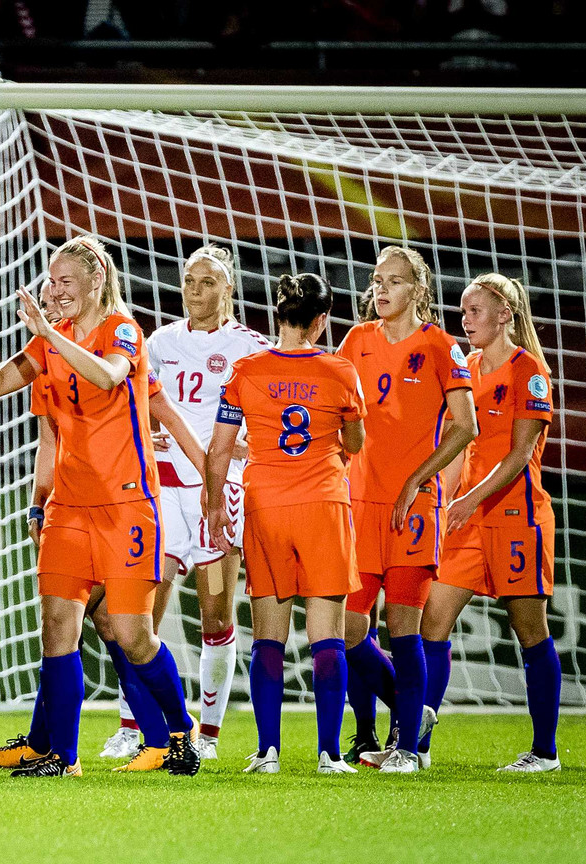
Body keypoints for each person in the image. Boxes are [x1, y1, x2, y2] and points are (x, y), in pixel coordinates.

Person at [0, 235, 201, 778]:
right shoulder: (51, 342)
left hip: (127, 505)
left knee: (133, 635)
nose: (56, 291)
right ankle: (61, 757)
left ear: (96, 280)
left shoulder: (123, 330)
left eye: (67, 281)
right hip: (69, 507)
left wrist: (49, 336)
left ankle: (181, 734)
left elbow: (109, 375)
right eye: (52, 281)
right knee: (57, 627)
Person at [205, 272, 366, 775]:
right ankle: (329, 754)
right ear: (321, 321)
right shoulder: (341, 371)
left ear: (278, 315)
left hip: (265, 505)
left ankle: (268, 751)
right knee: (328, 635)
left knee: (268, 636)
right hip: (323, 504)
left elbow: (218, 452)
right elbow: (357, 444)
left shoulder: (245, 370)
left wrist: (213, 508)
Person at [335, 246, 476, 773]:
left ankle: (409, 750)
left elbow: (466, 426)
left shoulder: (441, 346)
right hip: (358, 501)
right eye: (376, 280)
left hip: (415, 506)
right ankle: (411, 713)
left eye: (394, 281)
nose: (381, 289)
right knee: (349, 629)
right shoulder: (357, 340)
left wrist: (418, 479)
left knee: (403, 628)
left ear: (418, 290)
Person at [420, 273, 562, 773]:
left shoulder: (531, 372)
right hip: (467, 520)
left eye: (475, 310)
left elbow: (521, 455)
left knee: (530, 631)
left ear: (506, 314)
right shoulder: (469, 368)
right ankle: (417, 746)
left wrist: (470, 499)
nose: (466, 320)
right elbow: (462, 444)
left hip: (518, 519)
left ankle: (544, 752)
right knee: (430, 625)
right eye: (462, 311)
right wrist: (444, 501)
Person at [142, 245, 273, 760]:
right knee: (141, 613)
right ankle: (139, 729)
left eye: (208, 282)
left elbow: (276, 425)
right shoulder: (160, 342)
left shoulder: (253, 349)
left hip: (219, 490)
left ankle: (211, 737)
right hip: (163, 489)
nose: (195, 291)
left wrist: (244, 446)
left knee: (216, 616)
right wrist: (145, 436)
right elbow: (142, 403)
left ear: (230, 288)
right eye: (190, 282)